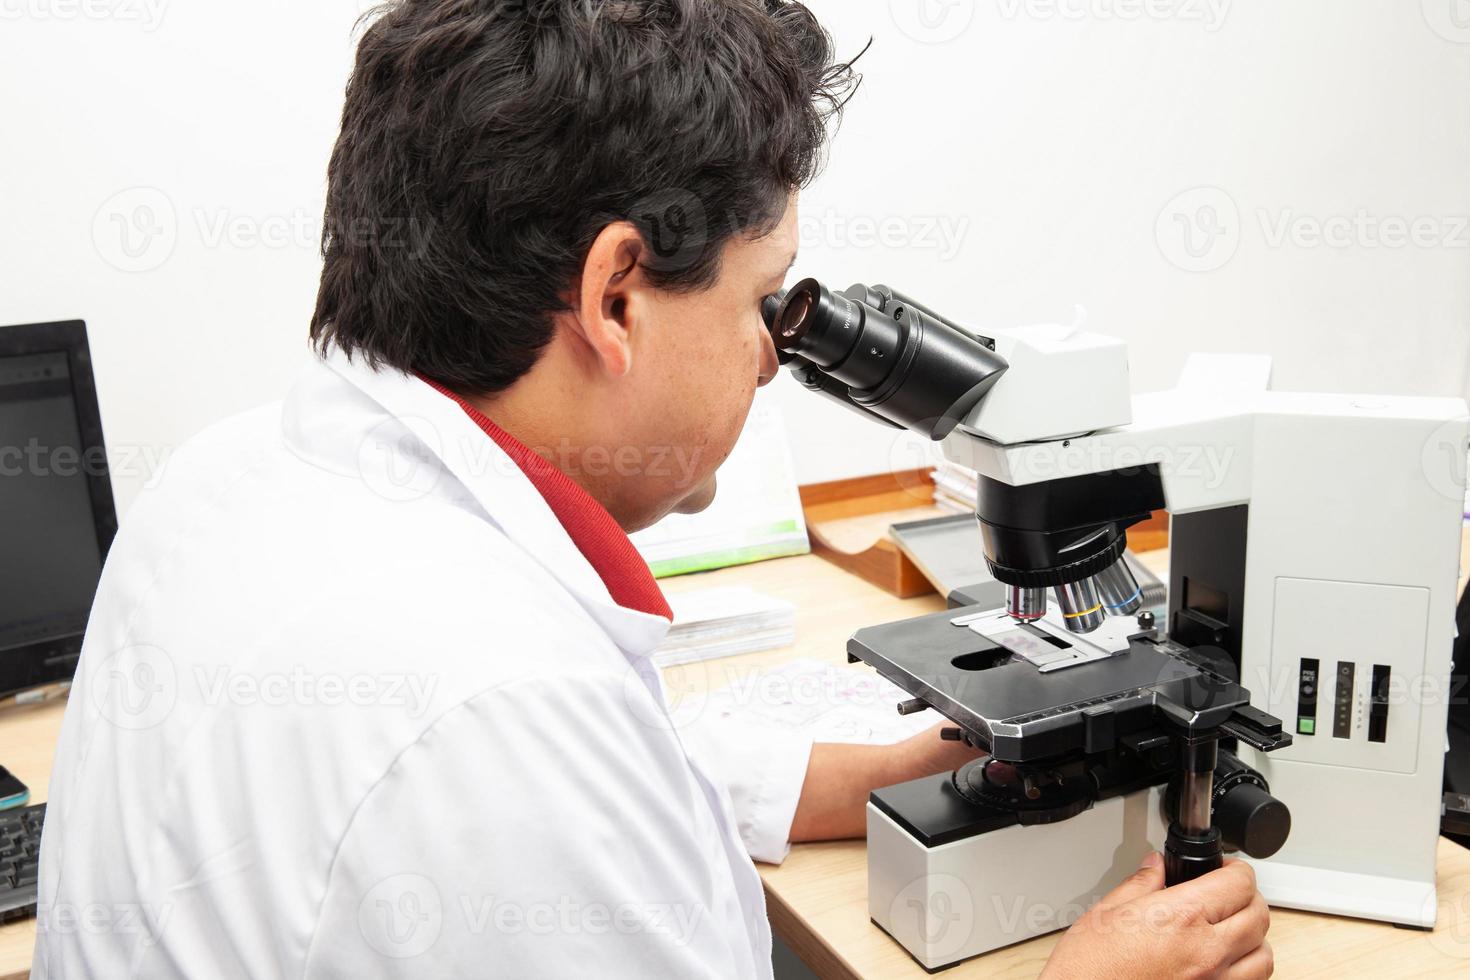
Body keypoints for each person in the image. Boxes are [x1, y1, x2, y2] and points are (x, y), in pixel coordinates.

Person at [33, 1, 1272, 977]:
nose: (773, 353)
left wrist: (902, 770)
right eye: (760, 299)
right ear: (615, 294)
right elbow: (539, 779)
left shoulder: (228, 475)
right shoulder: (501, 715)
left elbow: (606, 782)